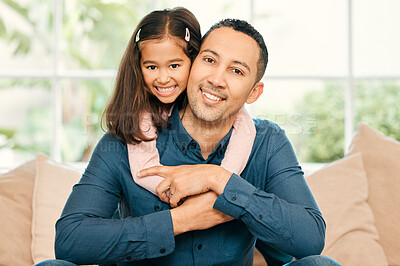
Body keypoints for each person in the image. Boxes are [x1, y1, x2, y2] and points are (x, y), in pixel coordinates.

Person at [39, 13, 340, 266]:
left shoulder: (267, 142)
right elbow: (69, 241)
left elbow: (310, 239)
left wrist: (218, 179)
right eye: (210, 60)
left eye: (236, 70)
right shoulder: (126, 140)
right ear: (192, 63)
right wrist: (183, 219)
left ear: (254, 92)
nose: (216, 79)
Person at [102, 6, 255, 198]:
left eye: (174, 65)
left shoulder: (237, 117)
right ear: (138, 67)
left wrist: (217, 182)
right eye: (151, 67)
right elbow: (144, 172)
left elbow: (234, 160)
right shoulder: (138, 115)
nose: (163, 78)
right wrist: (181, 195)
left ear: (193, 59)